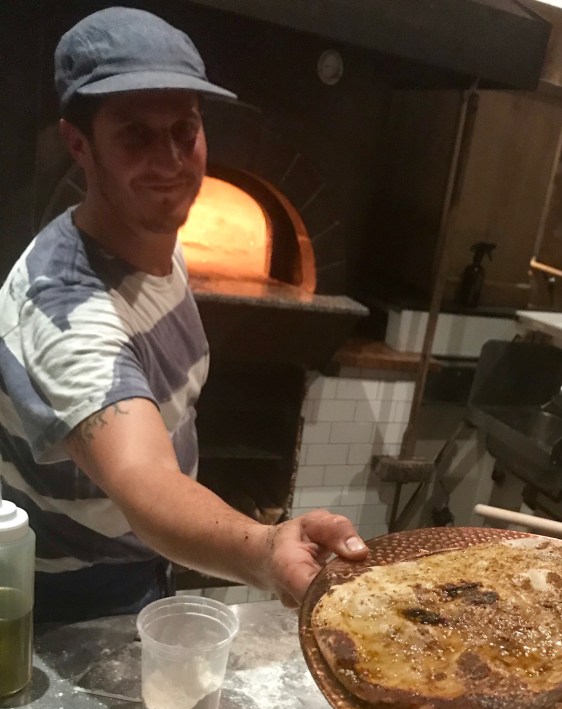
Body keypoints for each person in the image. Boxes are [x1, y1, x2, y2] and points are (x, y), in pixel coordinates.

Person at [0, 6, 368, 622]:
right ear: (78, 143)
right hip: (67, 600)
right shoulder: (64, 308)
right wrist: (265, 549)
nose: (170, 160)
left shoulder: (153, 240)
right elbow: (145, 477)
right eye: (135, 135)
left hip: (141, 562)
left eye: (184, 129)